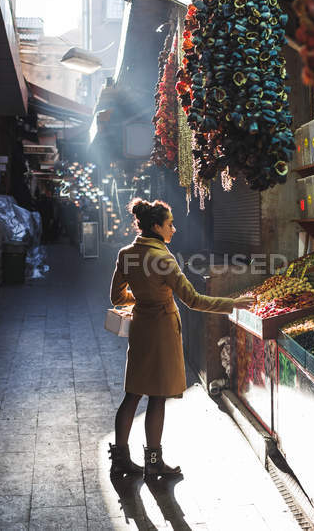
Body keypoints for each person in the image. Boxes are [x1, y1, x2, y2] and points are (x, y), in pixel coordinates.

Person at [108, 198, 254, 479]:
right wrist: (233, 303)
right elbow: (193, 300)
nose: (174, 229)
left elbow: (117, 297)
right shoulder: (164, 259)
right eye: (170, 224)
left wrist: (142, 298)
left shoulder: (126, 253)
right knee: (158, 397)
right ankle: (153, 462)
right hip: (162, 331)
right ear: (156, 226)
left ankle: (120, 459)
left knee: (132, 394)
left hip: (140, 328)